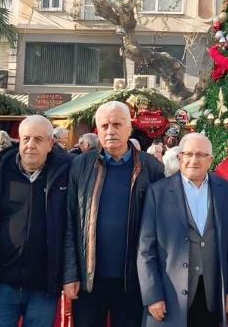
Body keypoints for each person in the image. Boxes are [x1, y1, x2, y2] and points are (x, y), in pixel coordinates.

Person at [63, 101, 165, 327]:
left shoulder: (152, 168)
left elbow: (162, 229)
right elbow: (70, 222)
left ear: (130, 128)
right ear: (97, 130)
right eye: (104, 126)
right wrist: (70, 274)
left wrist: (154, 282)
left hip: (133, 280)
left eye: (117, 124)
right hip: (89, 279)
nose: (110, 131)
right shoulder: (80, 165)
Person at [0, 115, 75, 326]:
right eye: (26, 138)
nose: (31, 145)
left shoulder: (67, 172)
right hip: (2, 283)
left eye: (39, 139)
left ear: (51, 144)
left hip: (43, 285)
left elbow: (71, 229)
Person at [137, 133, 228, 327]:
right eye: (188, 154)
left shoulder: (224, 190)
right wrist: (152, 296)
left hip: (212, 298)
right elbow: (145, 249)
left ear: (210, 160)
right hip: (170, 298)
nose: (194, 160)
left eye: (200, 155)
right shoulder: (157, 192)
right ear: (179, 157)